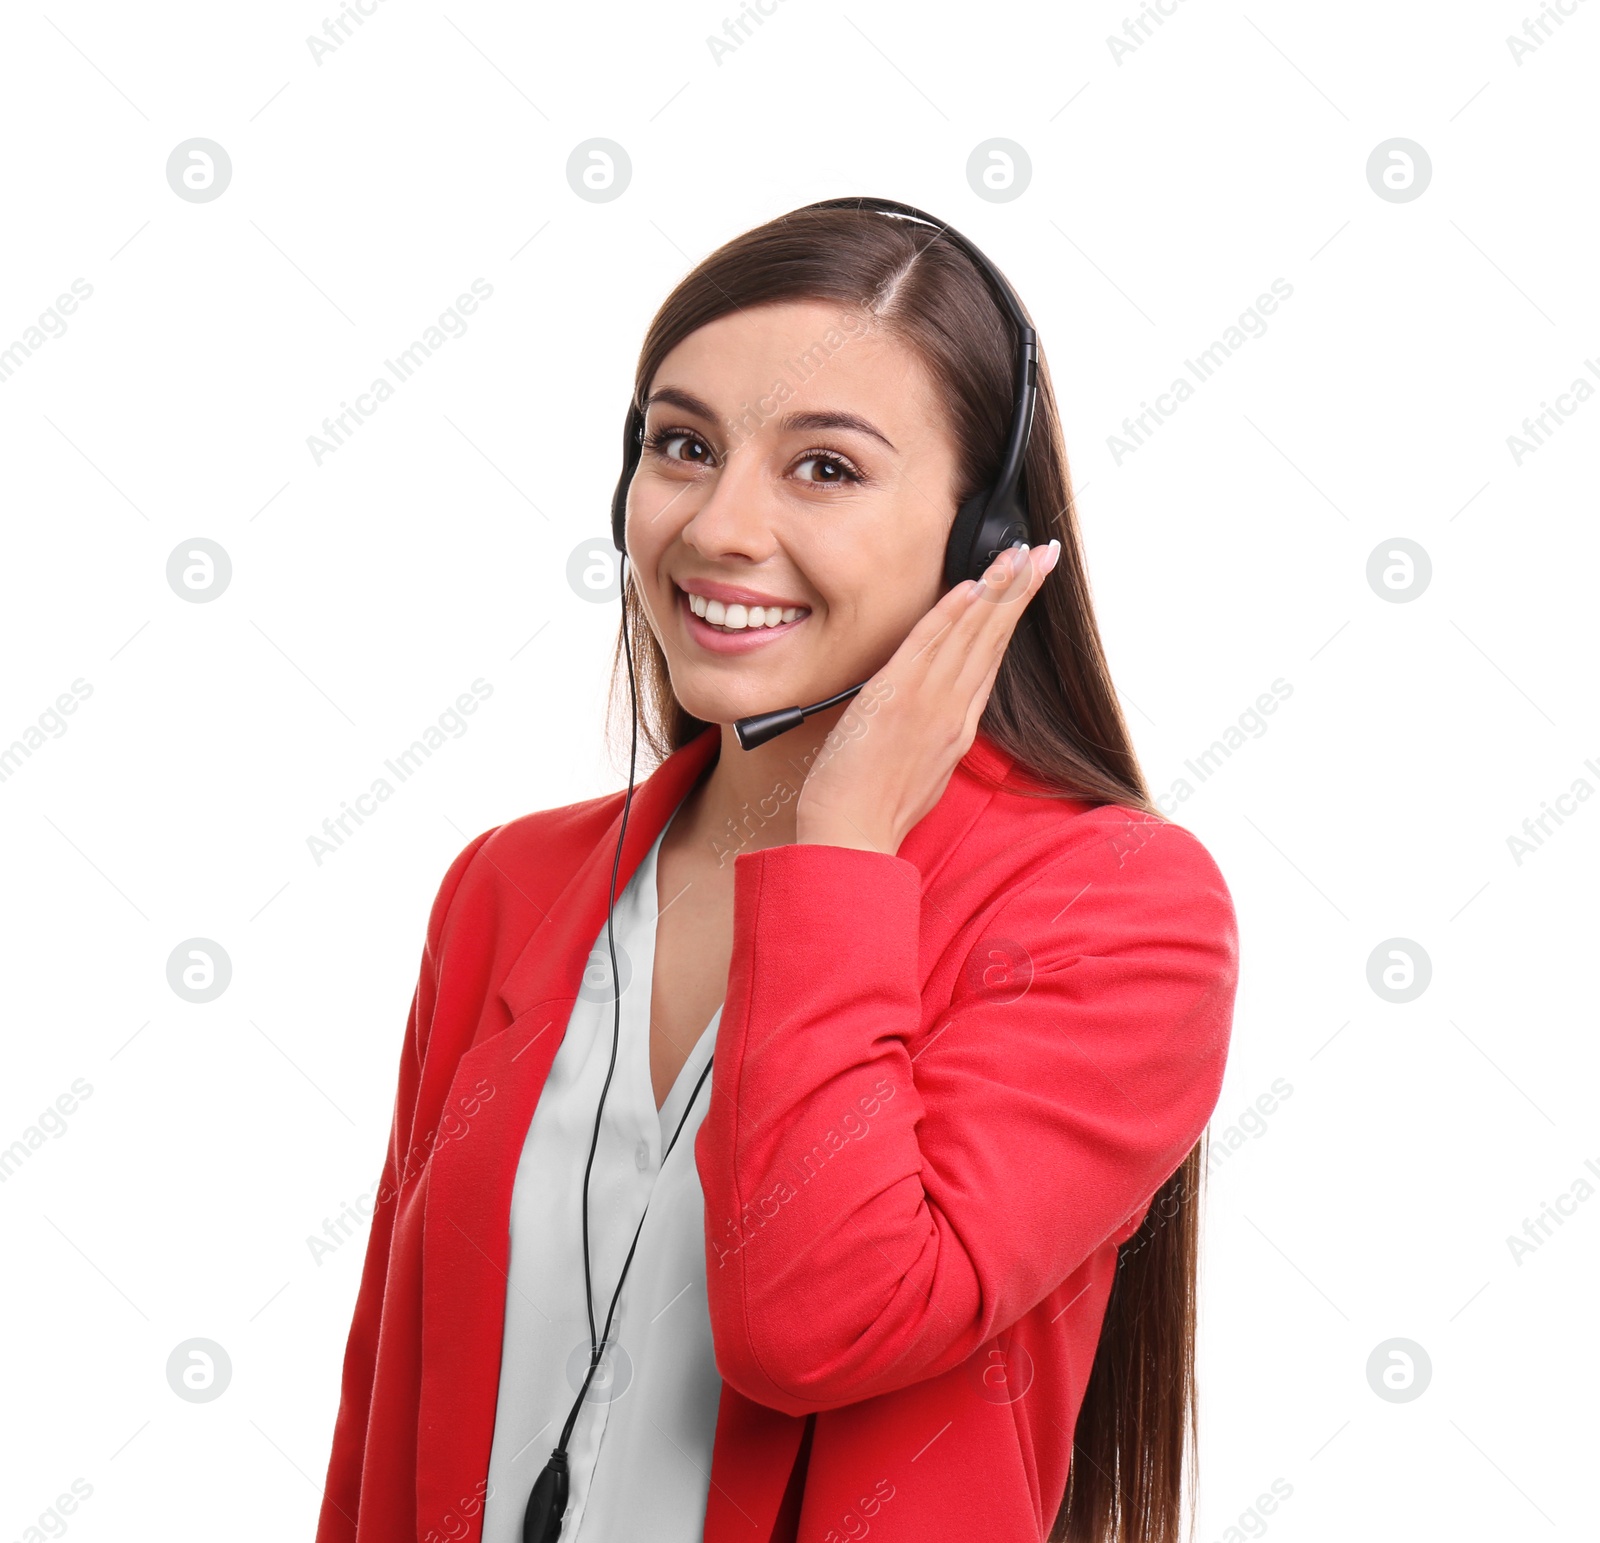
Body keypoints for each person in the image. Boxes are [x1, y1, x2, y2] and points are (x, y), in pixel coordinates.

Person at [314, 200, 1239, 1543]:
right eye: (683, 448)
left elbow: (820, 1323)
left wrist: (843, 850)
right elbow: (381, 1414)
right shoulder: (506, 890)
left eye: (825, 470)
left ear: (982, 538)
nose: (719, 528)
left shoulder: (1118, 910)